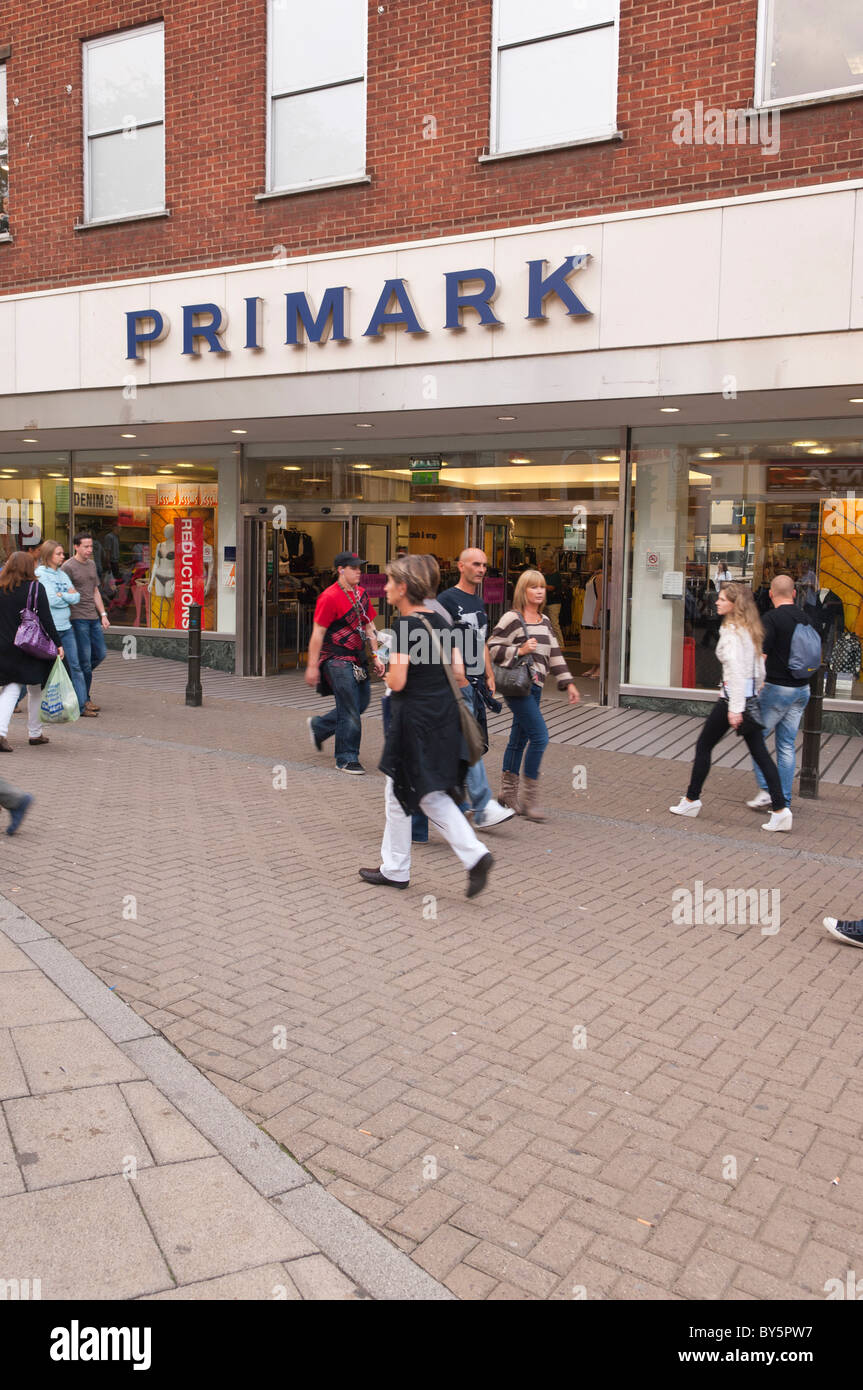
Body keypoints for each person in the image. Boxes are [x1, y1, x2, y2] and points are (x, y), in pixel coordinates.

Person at [359, 554, 493, 897]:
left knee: (404, 793)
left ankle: (401, 868)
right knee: (422, 793)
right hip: (443, 717)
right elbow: (460, 673)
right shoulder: (441, 622)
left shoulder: (405, 627)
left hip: (413, 719)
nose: (385, 587)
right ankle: (460, 857)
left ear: (404, 588)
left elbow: (399, 681)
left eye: (390, 582)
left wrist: (384, 667)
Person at [669, 582, 790, 831]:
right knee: (760, 754)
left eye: (722, 599)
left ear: (734, 604)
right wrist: (755, 690)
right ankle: (780, 810)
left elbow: (736, 671)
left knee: (704, 746)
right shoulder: (749, 628)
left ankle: (692, 800)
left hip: (733, 701)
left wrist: (735, 708)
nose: (717, 602)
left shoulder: (733, 631)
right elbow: (758, 667)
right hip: (745, 698)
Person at [488, 569, 580, 822]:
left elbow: (555, 654)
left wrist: (568, 683)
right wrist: (518, 650)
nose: (539, 591)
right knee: (540, 737)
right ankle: (530, 800)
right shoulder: (512, 618)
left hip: (536, 687)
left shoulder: (545, 620)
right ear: (523, 591)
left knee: (518, 739)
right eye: (533, 587)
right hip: (518, 687)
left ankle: (508, 795)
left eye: (541, 587)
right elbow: (492, 646)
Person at [437, 548, 515, 830]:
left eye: (484, 565)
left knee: (463, 744)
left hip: (474, 683)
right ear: (460, 566)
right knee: (470, 743)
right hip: (457, 684)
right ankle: (481, 807)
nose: (482, 570)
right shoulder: (446, 600)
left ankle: (456, 805)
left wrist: (489, 673)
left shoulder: (477, 601)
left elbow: (481, 639)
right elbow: (440, 640)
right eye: (476, 564)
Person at [305, 551, 385, 773]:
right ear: (341, 570)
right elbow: (318, 633)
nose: (359, 571)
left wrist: (377, 656)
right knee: (350, 706)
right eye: (354, 567)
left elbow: (369, 627)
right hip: (336, 658)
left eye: (360, 567)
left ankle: (319, 727)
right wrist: (312, 666)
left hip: (358, 658)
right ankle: (346, 757)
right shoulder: (329, 597)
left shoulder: (361, 594)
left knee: (361, 702)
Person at [746, 574, 814, 813]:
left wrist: (754, 686)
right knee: (786, 744)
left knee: (756, 738)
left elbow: (761, 657)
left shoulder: (771, 619)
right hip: (802, 689)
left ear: (771, 594)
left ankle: (767, 790)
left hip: (777, 688)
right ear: (794, 593)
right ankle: (783, 799)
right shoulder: (805, 617)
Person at [0, 550, 63, 750]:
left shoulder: (1, 587)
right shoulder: (35, 588)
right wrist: (58, 643)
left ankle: (33, 733)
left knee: (14, 686)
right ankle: (26, 733)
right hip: (29, 646)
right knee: (32, 687)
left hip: (4, 644)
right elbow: (46, 619)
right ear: (29, 567)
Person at [35, 538, 89, 717]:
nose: (62, 557)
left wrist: (62, 595)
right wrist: (66, 595)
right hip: (49, 629)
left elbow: (77, 597)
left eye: (62, 553)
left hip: (66, 627)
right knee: (41, 669)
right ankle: (13, 699)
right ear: (48, 555)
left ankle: (80, 706)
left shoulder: (63, 574)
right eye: (58, 554)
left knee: (75, 666)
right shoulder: (41, 574)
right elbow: (51, 600)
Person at [61, 533, 110, 715]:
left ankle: (75, 680)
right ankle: (85, 699)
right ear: (76, 547)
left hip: (93, 617)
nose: (90, 550)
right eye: (86, 547)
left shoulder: (91, 564)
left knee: (100, 654)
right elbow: (64, 592)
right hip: (77, 618)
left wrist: (103, 614)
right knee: (85, 662)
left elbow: (95, 590)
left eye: (91, 547)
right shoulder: (68, 567)